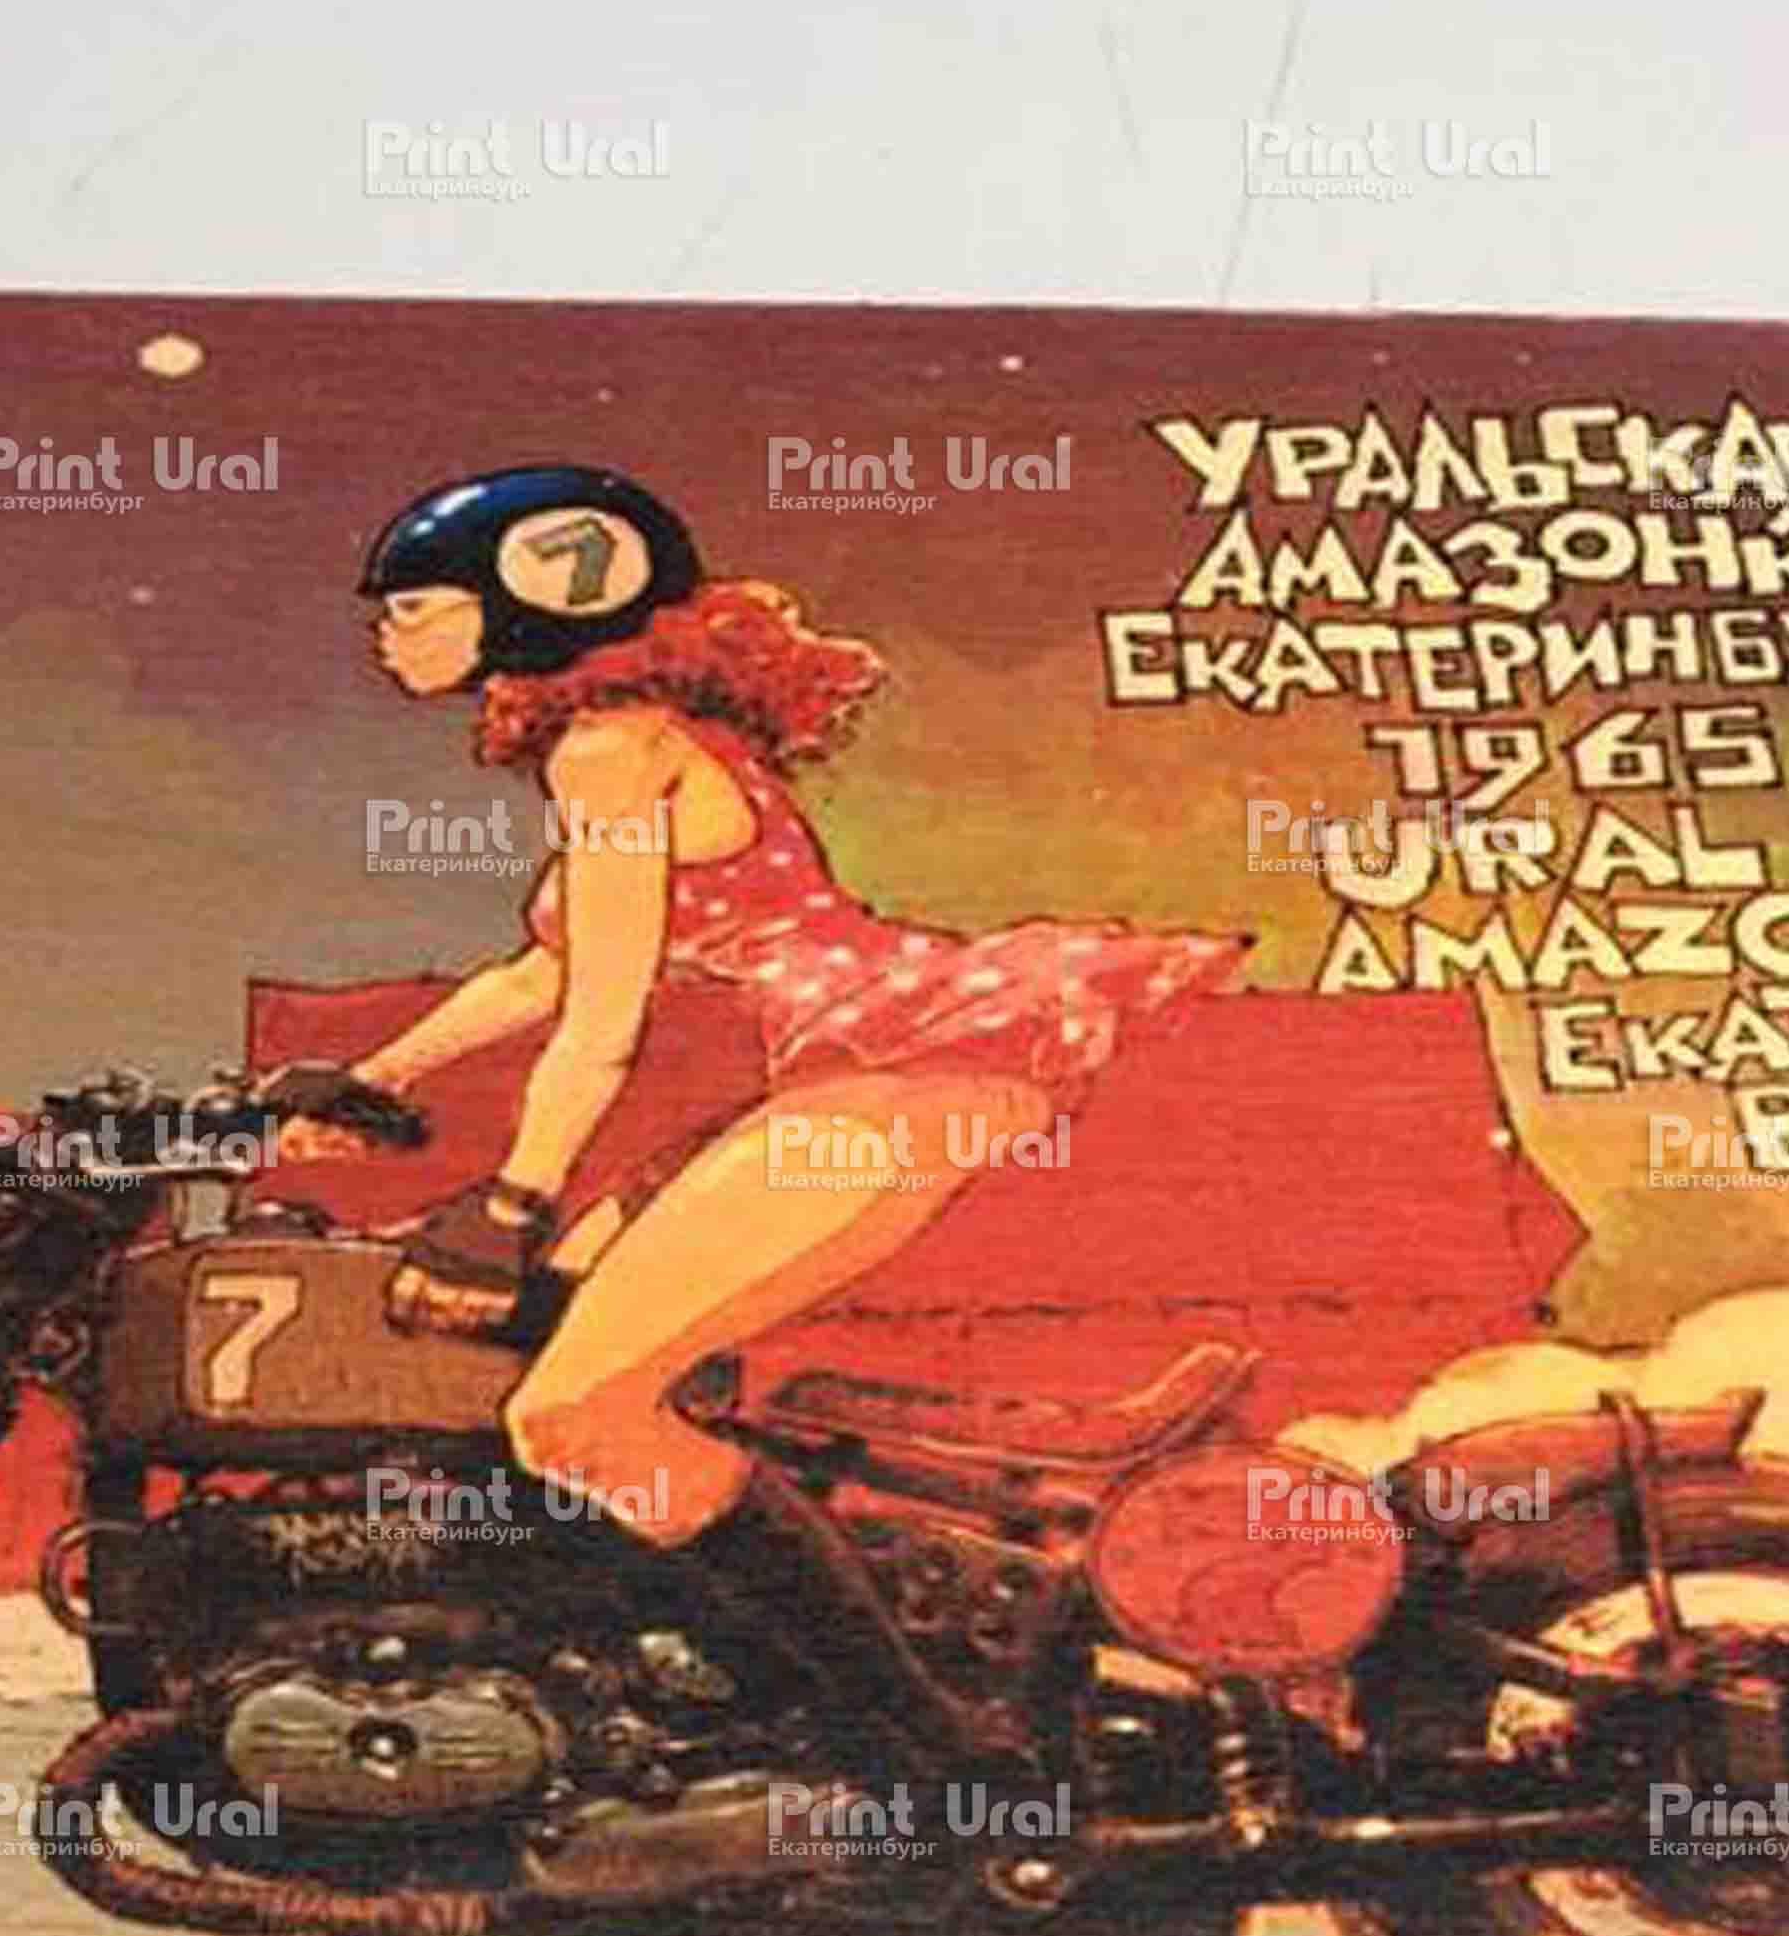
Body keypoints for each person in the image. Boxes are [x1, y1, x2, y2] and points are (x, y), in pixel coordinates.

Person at [294, 464, 1243, 1765]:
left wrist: (513, 1198)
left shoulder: (609, 752)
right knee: (570, 1341)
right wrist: (371, 1080)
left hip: (882, 1082)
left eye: (414, 606)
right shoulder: (634, 739)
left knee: (574, 1418)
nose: (386, 634)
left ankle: (928, 1749)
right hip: (867, 1076)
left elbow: (604, 1022)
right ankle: (694, 1697)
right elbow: (545, 972)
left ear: (532, 602)